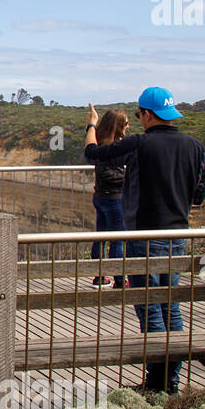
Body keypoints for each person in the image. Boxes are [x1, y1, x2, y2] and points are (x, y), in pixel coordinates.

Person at [84, 87, 205, 393]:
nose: (139, 120)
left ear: (148, 114)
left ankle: (156, 384)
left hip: (144, 237)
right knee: (171, 307)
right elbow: (199, 196)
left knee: (149, 307)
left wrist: (91, 124)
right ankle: (171, 382)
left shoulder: (140, 144)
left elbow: (93, 153)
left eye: (140, 114)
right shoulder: (196, 147)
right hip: (178, 236)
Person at [89, 109, 129, 289]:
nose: (128, 127)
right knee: (117, 240)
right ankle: (119, 280)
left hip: (101, 197)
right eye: (125, 123)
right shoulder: (112, 148)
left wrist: (91, 123)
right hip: (114, 200)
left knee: (101, 237)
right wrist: (129, 178)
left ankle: (100, 276)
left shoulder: (100, 145)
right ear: (118, 125)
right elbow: (110, 174)